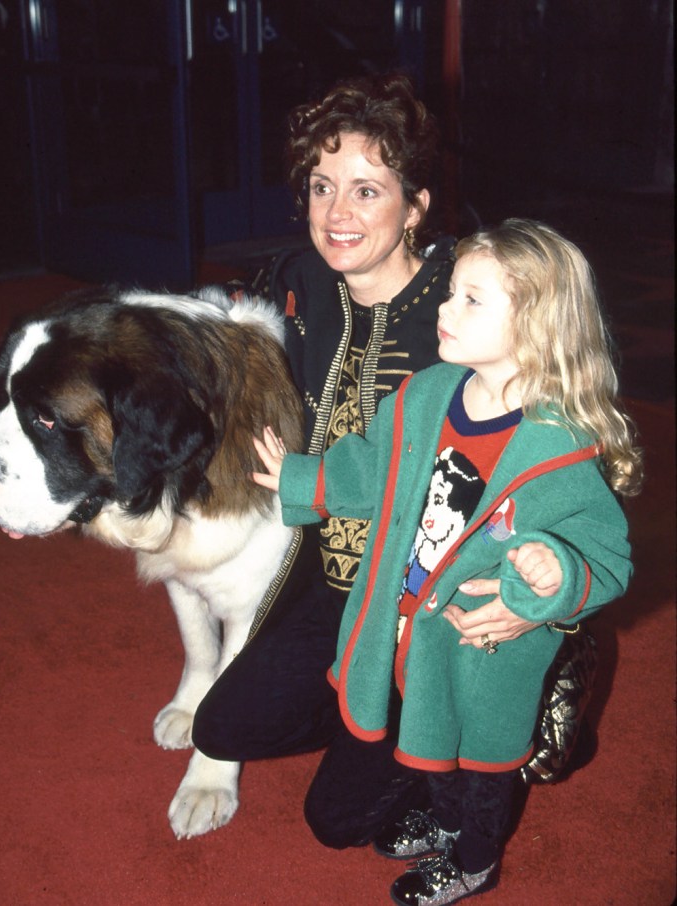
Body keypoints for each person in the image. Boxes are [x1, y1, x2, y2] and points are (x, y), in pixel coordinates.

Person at [251, 218, 641, 905]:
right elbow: (370, 468)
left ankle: (475, 857)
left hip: (485, 651)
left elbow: (606, 556)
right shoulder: (428, 395)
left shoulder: (560, 450)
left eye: (471, 299)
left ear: (539, 326)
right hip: (406, 625)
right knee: (426, 741)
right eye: (449, 293)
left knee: (481, 767)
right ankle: (444, 819)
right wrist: (300, 479)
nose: (444, 309)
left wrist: (557, 576)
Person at [192, 72, 478, 766]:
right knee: (223, 728)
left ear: (415, 208)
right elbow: (196, 359)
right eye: (322, 186)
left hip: (428, 587)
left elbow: (561, 415)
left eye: (367, 190)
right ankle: (368, 705)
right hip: (328, 578)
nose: (337, 213)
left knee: (340, 820)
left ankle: (494, 688)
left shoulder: (467, 294)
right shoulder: (299, 280)